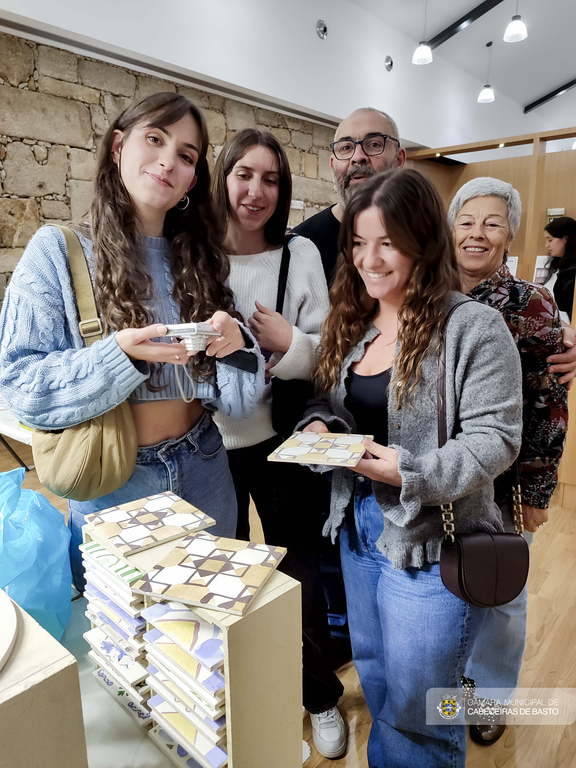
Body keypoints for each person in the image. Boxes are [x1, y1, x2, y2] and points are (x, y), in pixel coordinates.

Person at [298, 168, 523, 768]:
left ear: (423, 241)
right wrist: (320, 427)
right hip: (357, 530)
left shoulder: (472, 327)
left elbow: (495, 439)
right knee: (375, 676)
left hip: (429, 542)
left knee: (421, 709)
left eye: (387, 243)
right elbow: (330, 396)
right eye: (358, 243)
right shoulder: (354, 320)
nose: (369, 260)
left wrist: (409, 471)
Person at [0, 92, 264, 591]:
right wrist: (118, 356)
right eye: (155, 138)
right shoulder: (57, 252)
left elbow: (240, 401)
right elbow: (19, 386)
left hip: (207, 467)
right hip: (114, 483)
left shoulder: (201, 260)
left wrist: (240, 348)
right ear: (118, 146)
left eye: (186, 155)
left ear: (192, 179)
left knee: (209, 647)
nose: (168, 160)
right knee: (125, 652)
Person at [211, 129, 346, 759]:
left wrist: (289, 341)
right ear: (222, 177)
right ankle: (238, 703)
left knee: (300, 578)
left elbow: (326, 359)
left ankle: (319, 697)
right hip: (205, 448)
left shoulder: (300, 256)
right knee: (223, 584)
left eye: (270, 179)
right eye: (243, 174)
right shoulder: (193, 253)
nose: (255, 191)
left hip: (284, 442)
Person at [448, 177, 570, 745]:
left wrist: (540, 494)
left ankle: (490, 694)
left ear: (510, 233)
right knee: (440, 586)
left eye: (492, 222)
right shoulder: (421, 291)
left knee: (502, 592)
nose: (477, 233)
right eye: (467, 220)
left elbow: (549, 405)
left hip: (502, 480)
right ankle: (444, 685)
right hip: (434, 473)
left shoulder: (531, 305)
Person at [294, 107, 406, 284]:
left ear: (399, 159)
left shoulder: (420, 238)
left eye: (374, 144)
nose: (358, 157)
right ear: (332, 165)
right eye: (346, 148)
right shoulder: (302, 245)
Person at [543, 216, 576, 322]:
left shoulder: (570, 271)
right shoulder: (557, 265)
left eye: (550, 240)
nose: (546, 245)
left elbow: (563, 304)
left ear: (566, 239)